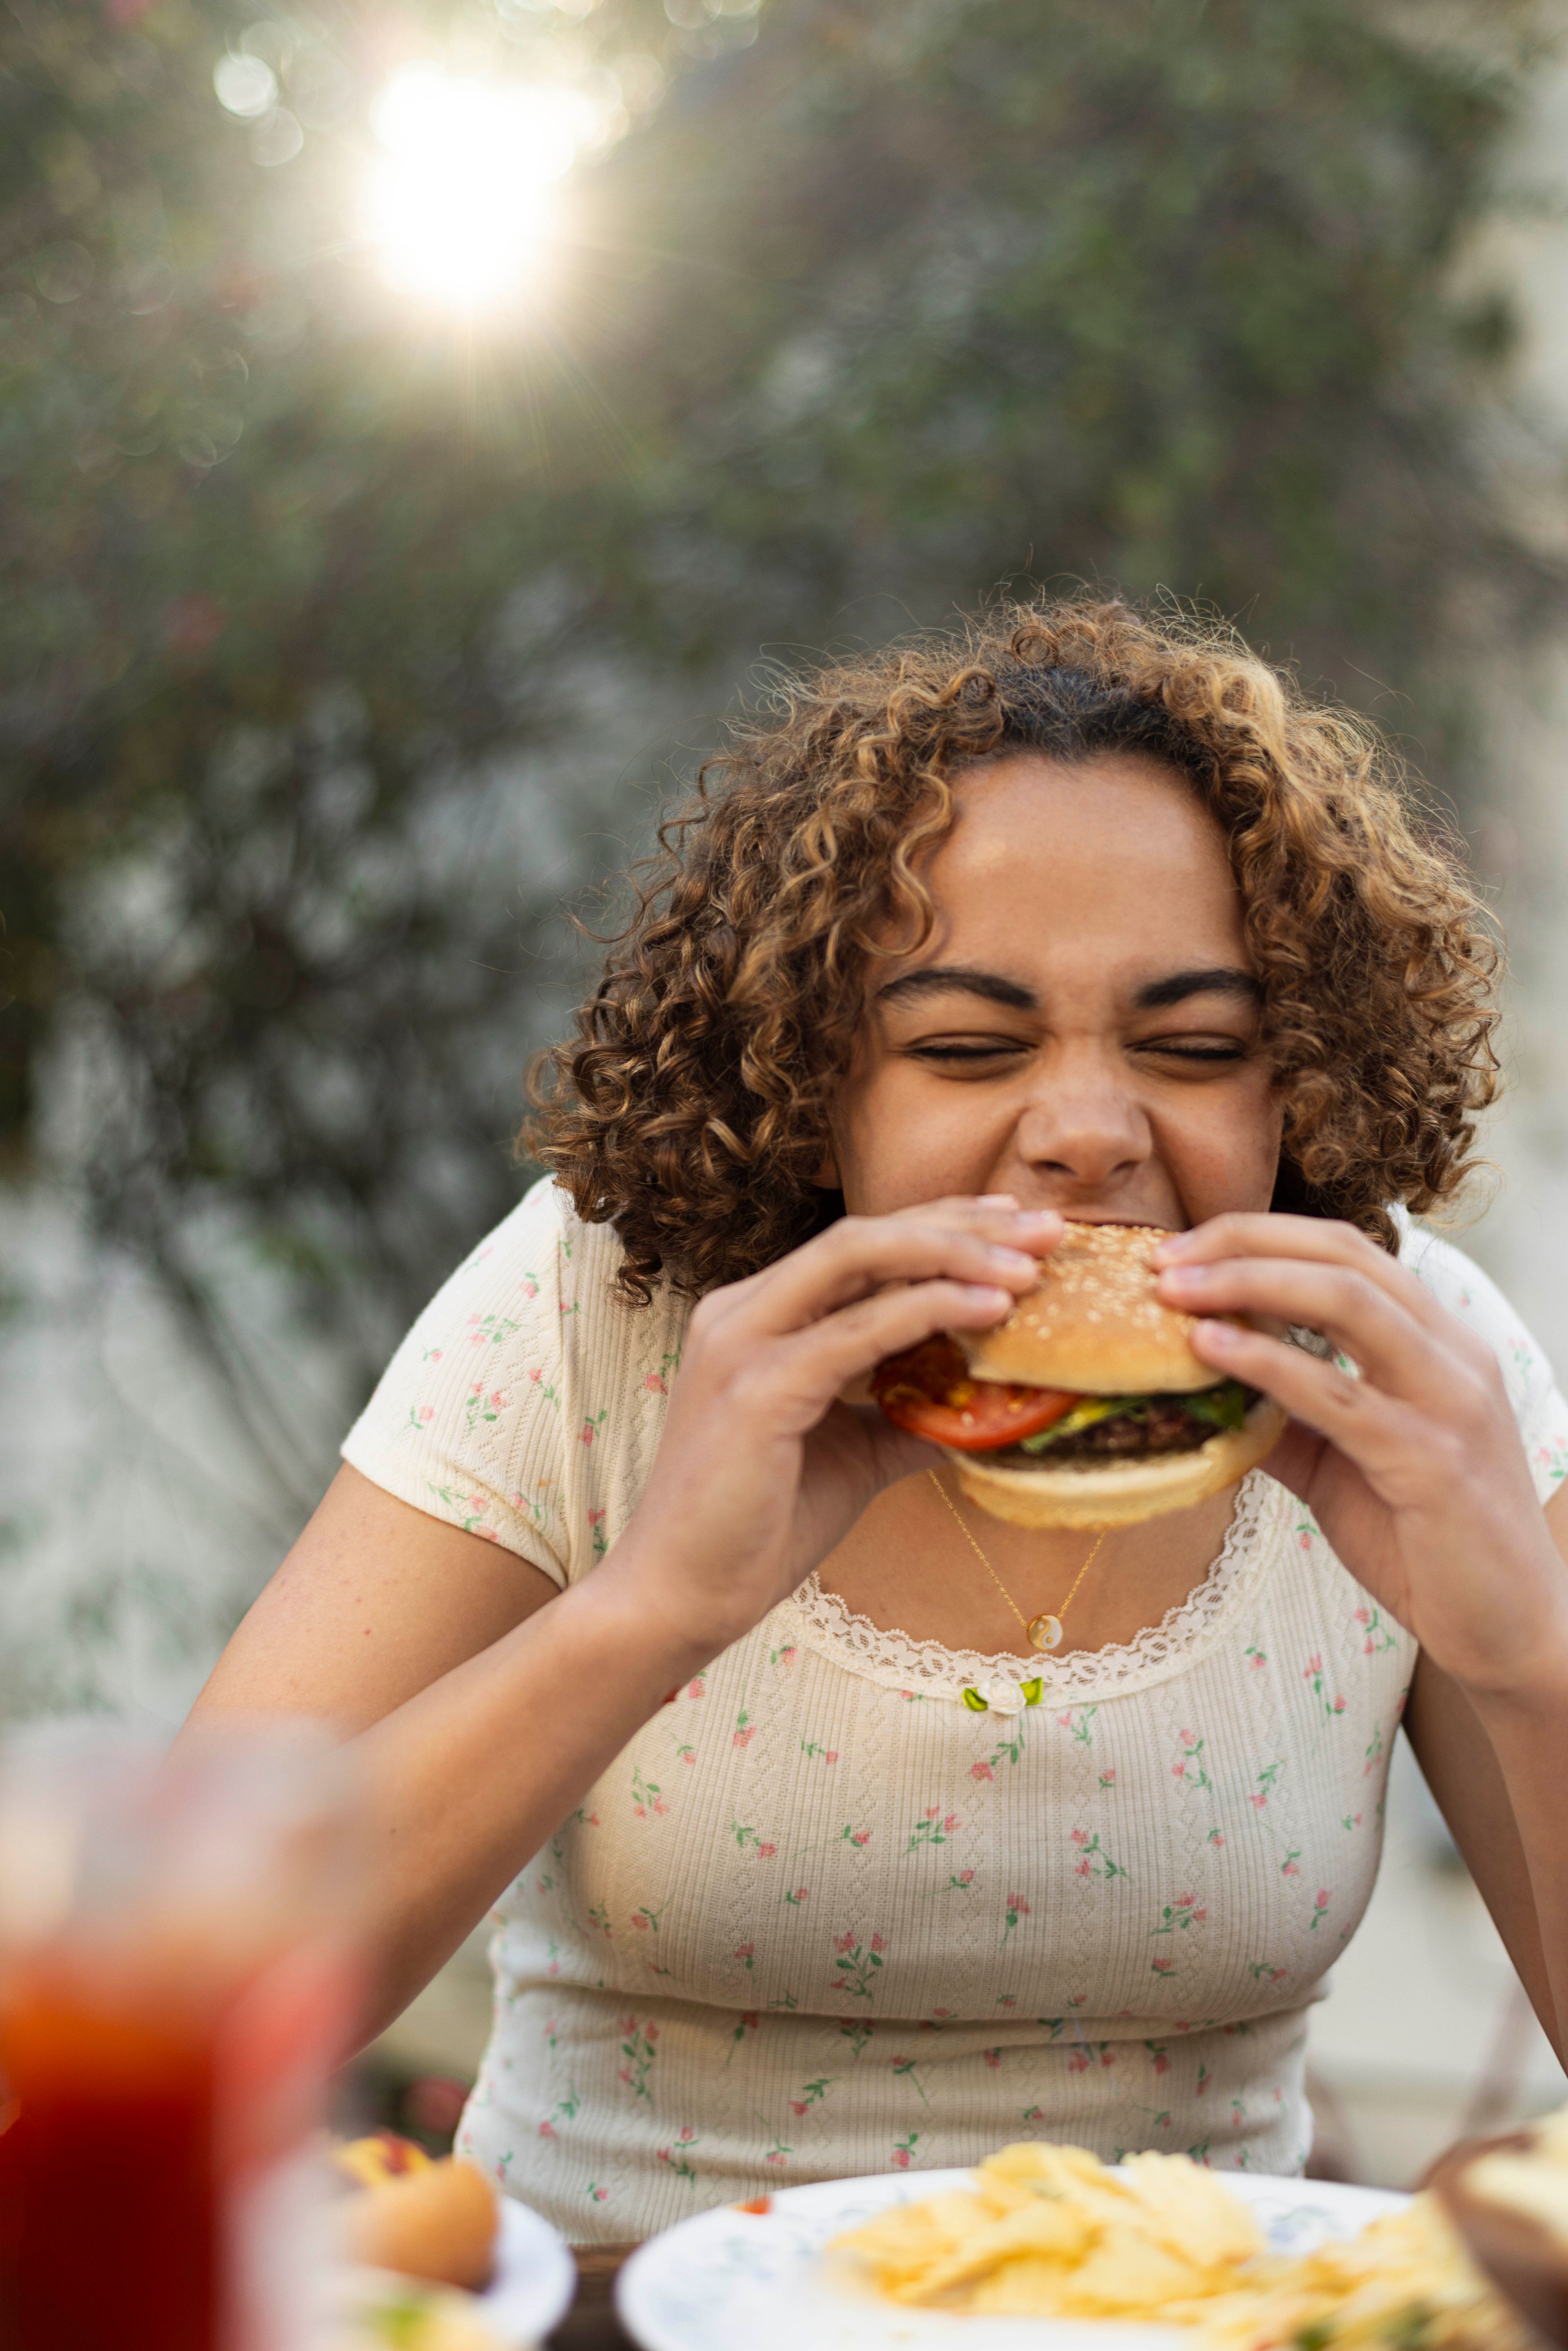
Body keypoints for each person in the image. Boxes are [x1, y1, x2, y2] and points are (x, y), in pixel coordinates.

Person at [189, 598, 1568, 2241]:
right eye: (969, 1046)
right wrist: (652, 1610)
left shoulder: (1401, 1362)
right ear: (809, 1079)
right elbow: (179, 2000)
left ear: (1297, 1081)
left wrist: (1530, 1662)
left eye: (1195, 1045)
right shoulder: (601, 1312)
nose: (1084, 1132)